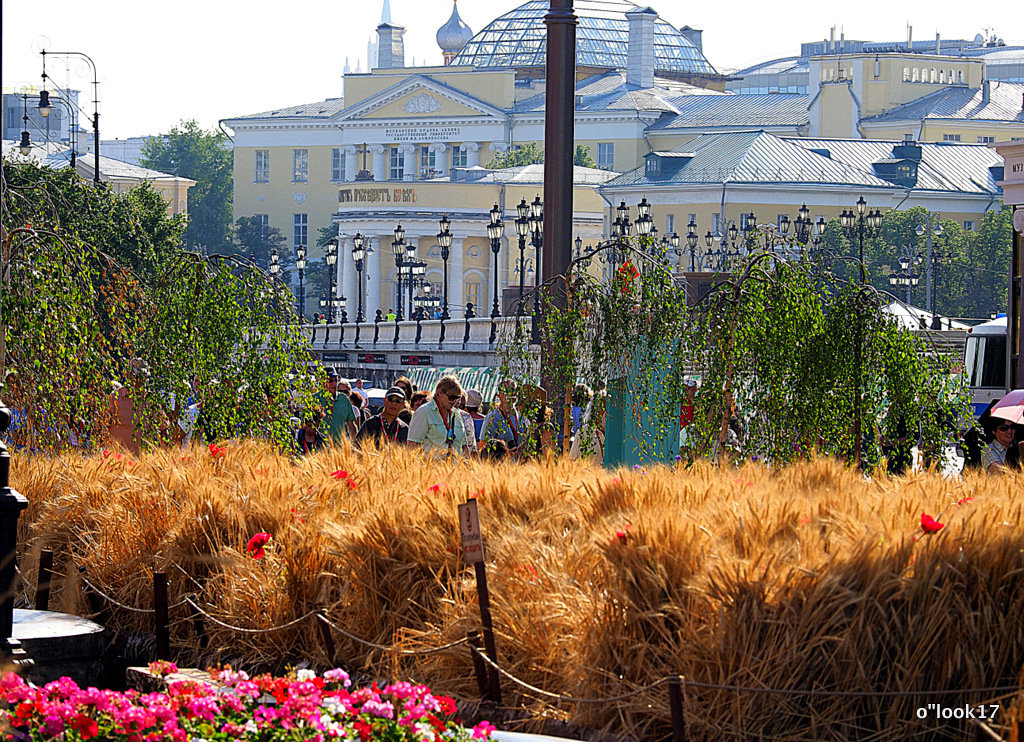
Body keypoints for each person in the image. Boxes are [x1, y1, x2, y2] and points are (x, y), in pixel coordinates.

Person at [407, 375, 469, 455]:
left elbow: (464, 447)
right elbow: (412, 446)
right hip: (431, 466)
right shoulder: (423, 412)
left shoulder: (457, 415)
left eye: (457, 398)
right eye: (451, 397)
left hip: (455, 466)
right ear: (440, 392)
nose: (454, 401)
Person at [481, 381, 523, 457]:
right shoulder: (492, 417)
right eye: (507, 391)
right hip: (502, 464)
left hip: (522, 465)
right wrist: (506, 453)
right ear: (499, 395)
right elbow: (483, 446)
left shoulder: (521, 417)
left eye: (513, 390)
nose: (511, 393)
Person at [317, 369, 358, 443]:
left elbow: (351, 425)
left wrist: (355, 445)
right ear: (322, 382)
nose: (334, 383)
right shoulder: (314, 399)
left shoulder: (343, 399)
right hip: (319, 449)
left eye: (336, 380)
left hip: (339, 449)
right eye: (331, 381)